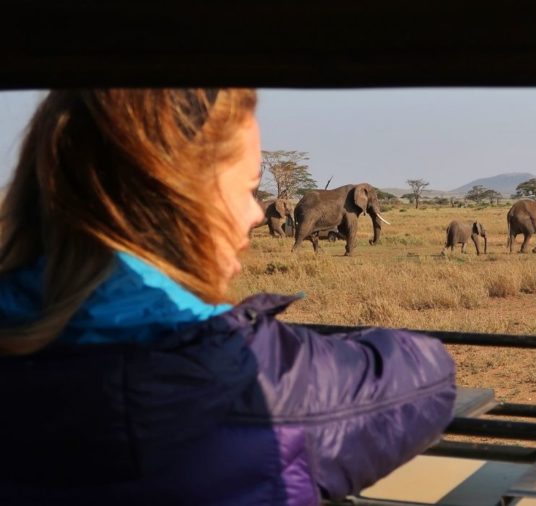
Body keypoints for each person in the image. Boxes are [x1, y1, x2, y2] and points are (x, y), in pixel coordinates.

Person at [0, 89, 456, 505]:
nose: (258, 215)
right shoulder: (247, 373)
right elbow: (428, 374)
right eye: (248, 187)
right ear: (179, 198)